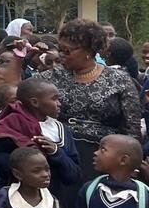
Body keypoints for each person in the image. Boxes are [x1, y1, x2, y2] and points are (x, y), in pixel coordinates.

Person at [41, 19, 141, 182]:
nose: (61, 55)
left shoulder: (118, 79)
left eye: (67, 51)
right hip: (60, 154)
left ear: (89, 51)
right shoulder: (49, 78)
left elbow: (132, 127)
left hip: (104, 158)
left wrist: (131, 164)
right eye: (60, 49)